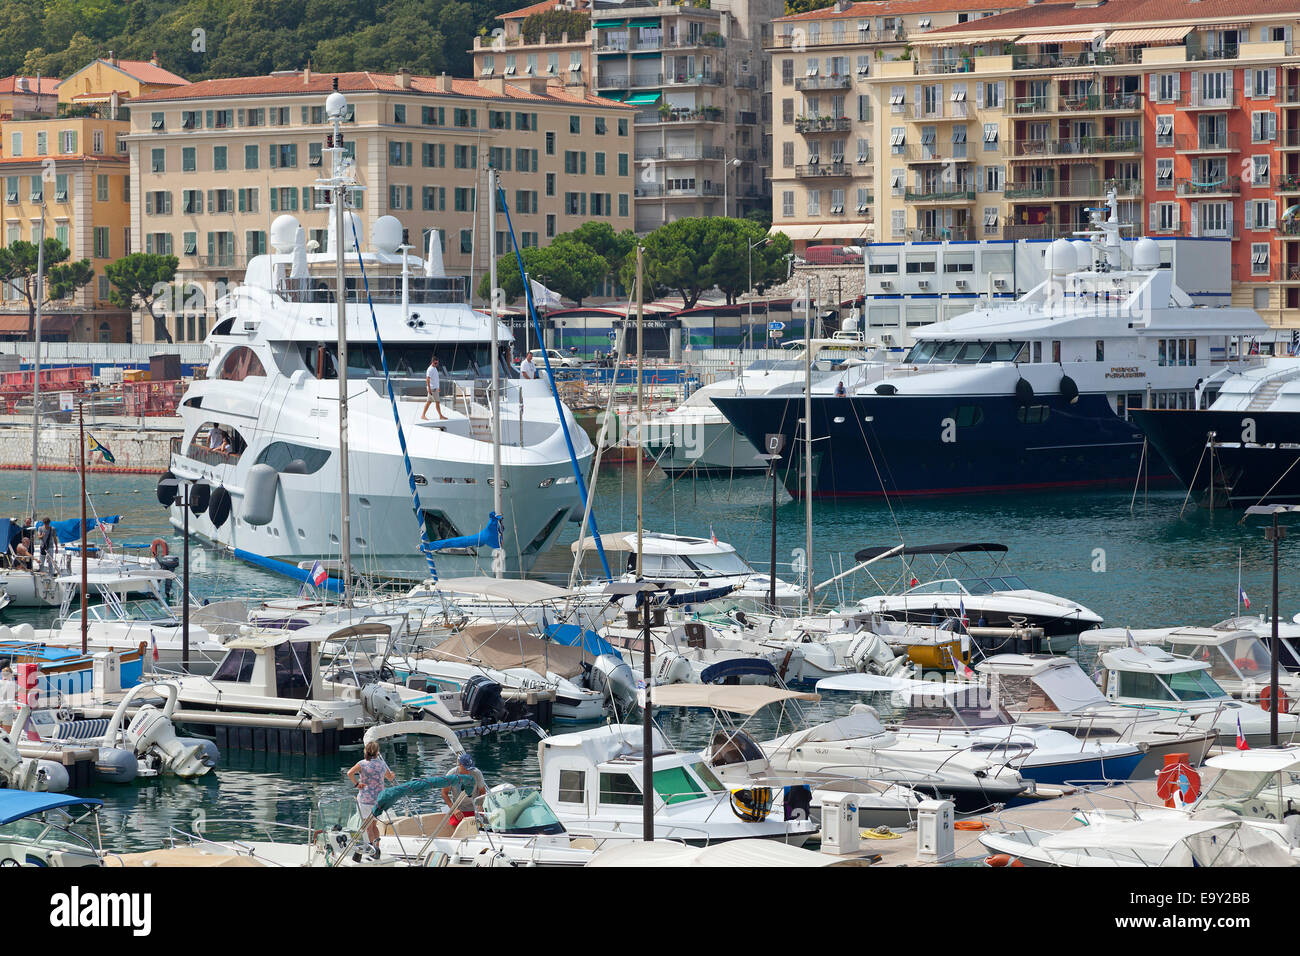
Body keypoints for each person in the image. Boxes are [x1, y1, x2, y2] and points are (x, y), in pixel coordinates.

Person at [346, 740, 396, 844]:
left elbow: (349, 773)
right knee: (374, 826)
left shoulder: (362, 764)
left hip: (365, 799)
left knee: (368, 827)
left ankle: (373, 849)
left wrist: (357, 784)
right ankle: (377, 847)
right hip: (378, 800)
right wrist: (392, 774)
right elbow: (390, 778)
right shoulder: (382, 764)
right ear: (377, 752)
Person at [442, 752, 487, 829]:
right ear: (460, 765)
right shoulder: (451, 774)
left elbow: (483, 791)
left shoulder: (477, 773)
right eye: (466, 768)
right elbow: (444, 793)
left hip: (475, 808)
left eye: (470, 768)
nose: (468, 771)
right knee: (457, 828)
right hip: (459, 810)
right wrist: (454, 810)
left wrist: (480, 805)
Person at [421, 356, 448, 421]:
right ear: (432, 362)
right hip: (432, 389)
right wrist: (429, 389)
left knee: (433, 402)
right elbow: (427, 379)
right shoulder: (430, 369)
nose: (436, 364)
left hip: (435, 389)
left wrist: (438, 387)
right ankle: (424, 415)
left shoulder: (434, 368)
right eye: (435, 363)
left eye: (437, 363)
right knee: (433, 402)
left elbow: (436, 379)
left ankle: (439, 415)